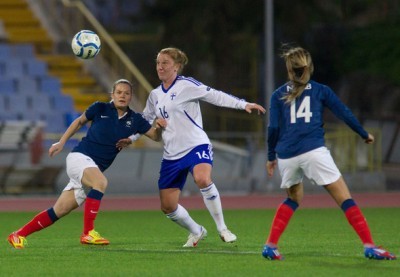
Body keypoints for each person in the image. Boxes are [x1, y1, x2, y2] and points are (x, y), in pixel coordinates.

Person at [120, 47, 266, 247]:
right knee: (168, 207)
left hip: (195, 145)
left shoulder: (186, 85)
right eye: (158, 63)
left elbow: (214, 95)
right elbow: (145, 119)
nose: (160, 67)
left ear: (177, 67)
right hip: (171, 154)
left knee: (202, 178)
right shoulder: (154, 95)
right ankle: (197, 231)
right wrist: (131, 137)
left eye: (165, 63)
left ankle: (223, 228)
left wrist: (243, 104)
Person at [262, 46, 396, 260]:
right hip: (313, 151)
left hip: (286, 156)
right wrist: (363, 134)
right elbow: (343, 112)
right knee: (344, 198)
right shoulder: (320, 90)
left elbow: (273, 129)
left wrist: (270, 157)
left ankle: (270, 245)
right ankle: (369, 245)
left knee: (294, 198)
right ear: (309, 67)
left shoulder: (278, 94)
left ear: (289, 70)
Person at [7, 79, 166, 249]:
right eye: (119, 92)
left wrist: (160, 128)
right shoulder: (100, 108)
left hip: (91, 169)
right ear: (112, 94)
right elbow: (79, 122)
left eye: (126, 93)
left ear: (130, 96)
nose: (122, 95)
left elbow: (155, 137)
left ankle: (18, 234)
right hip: (80, 158)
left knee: (59, 210)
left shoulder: (136, 119)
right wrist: (61, 142)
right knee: (101, 182)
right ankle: (88, 233)